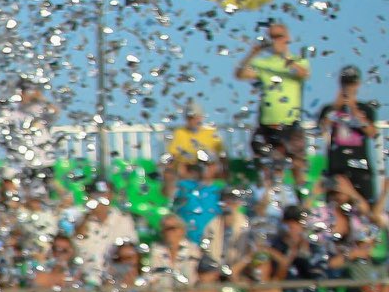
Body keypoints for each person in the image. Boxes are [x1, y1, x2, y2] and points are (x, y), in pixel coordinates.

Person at [237, 21, 311, 191]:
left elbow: (303, 74)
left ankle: (302, 204)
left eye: (278, 36)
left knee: (298, 165)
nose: (274, 40)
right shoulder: (264, 63)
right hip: (267, 126)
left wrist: (284, 57)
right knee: (268, 168)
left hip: (290, 124)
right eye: (271, 37)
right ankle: (270, 203)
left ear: (287, 38)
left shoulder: (298, 60)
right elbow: (240, 74)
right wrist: (253, 53)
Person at [318, 66, 378, 205]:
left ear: (358, 85)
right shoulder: (329, 109)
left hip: (360, 170)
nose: (348, 88)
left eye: (351, 84)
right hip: (336, 169)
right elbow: (322, 128)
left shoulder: (366, 109)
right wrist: (335, 107)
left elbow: (371, 132)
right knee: (334, 210)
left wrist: (353, 108)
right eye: (345, 83)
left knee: (365, 207)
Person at [160, 103, 224, 201]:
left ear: (201, 118)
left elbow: (221, 155)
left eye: (196, 118)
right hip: (187, 166)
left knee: (212, 166)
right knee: (177, 167)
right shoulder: (180, 133)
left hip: (206, 165)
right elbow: (173, 155)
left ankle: (206, 193)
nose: (193, 121)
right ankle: (182, 195)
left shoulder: (210, 132)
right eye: (190, 118)